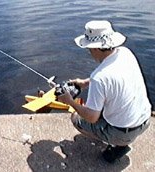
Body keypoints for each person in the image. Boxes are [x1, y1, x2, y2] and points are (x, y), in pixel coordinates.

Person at [57, 20, 151, 163]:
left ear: (95, 48)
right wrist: (84, 83)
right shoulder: (125, 53)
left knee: (76, 118)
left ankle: (118, 145)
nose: (89, 52)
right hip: (145, 120)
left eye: (88, 48)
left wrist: (70, 102)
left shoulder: (99, 78)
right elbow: (112, 77)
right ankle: (120, 139)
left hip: (124, 133)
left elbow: (91, 117)